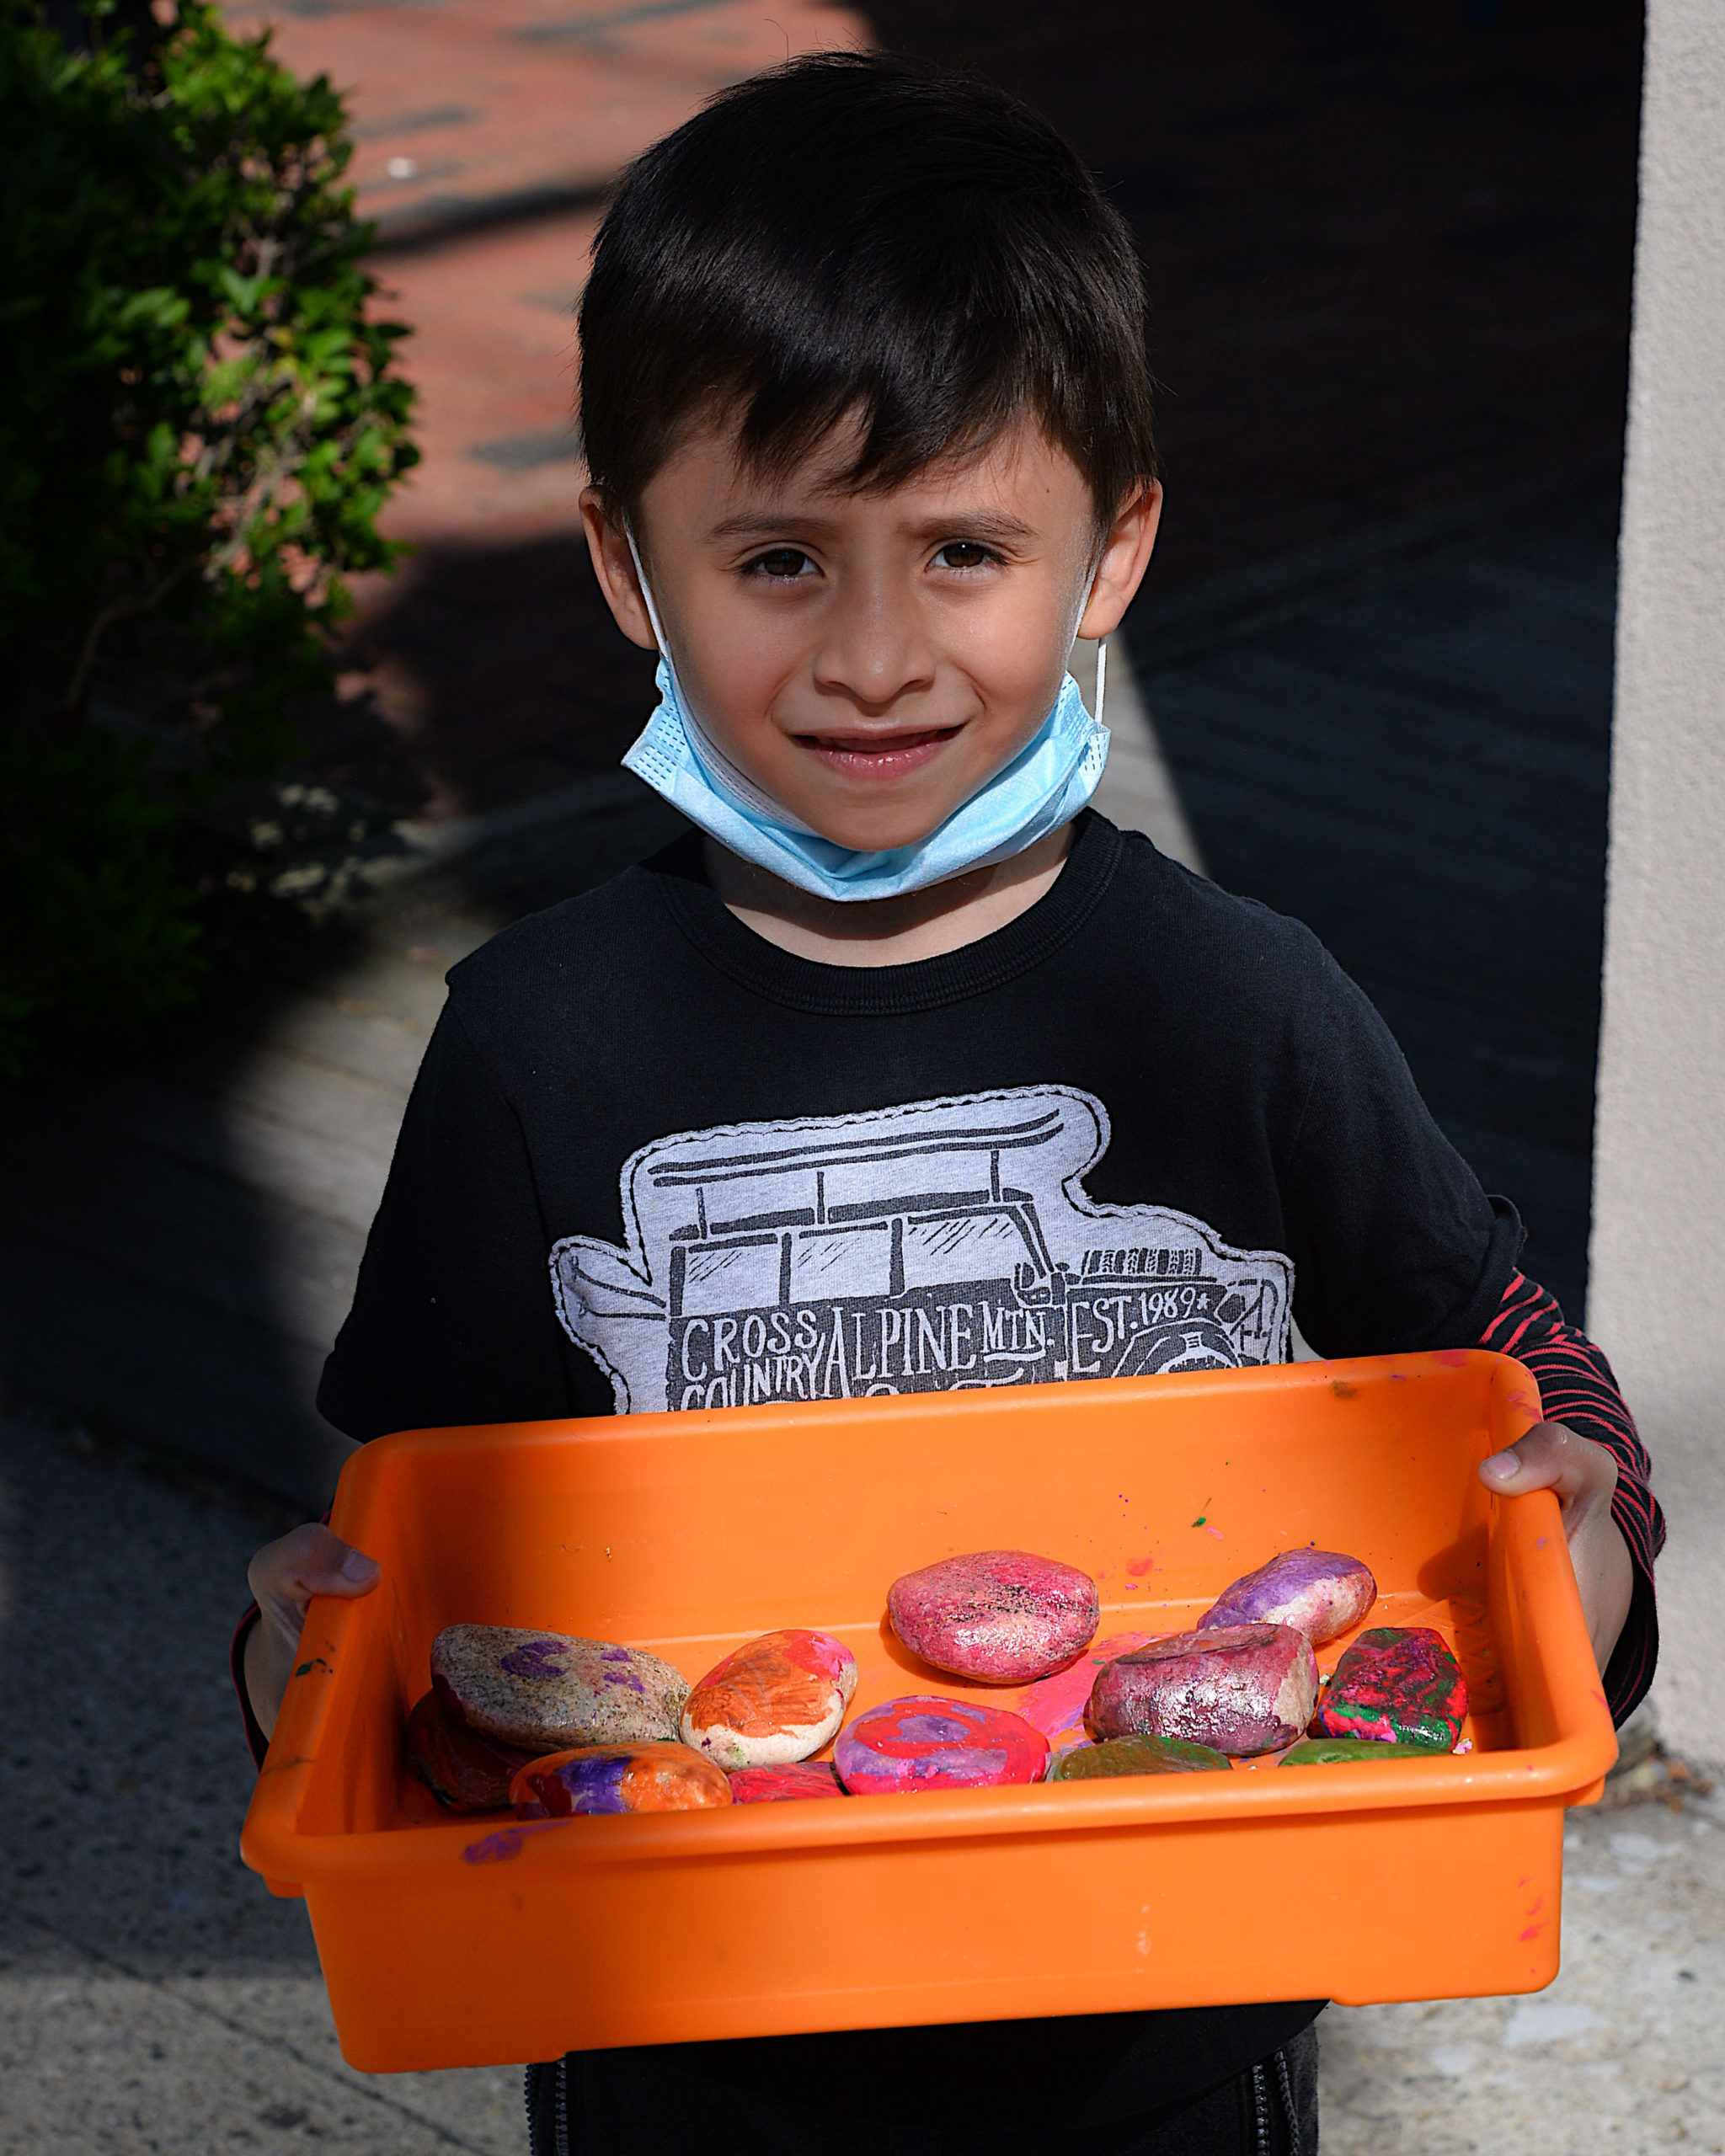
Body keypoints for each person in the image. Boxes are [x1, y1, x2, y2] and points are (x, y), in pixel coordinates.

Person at [235, 51, 1662, 2156]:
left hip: (1165, 2041)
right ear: (632, 568)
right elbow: (415, 1583)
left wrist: (1587, 1544)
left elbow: (1510, 1374)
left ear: (1110, 553)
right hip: (688, 2066)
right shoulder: (534, 1041)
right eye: (783, 560)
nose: (880, 654)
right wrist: (291, 1674)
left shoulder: (1236, 1002)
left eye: (966, 547)